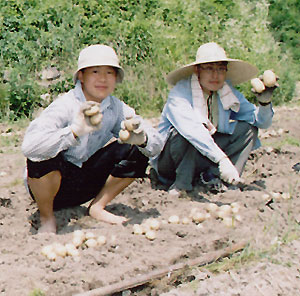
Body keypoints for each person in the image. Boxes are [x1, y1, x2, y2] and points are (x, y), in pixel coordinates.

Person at [22, 44, 163, 233]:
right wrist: (73, 132)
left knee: (136, 148)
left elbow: (157, 144)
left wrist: (143, 139)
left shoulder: (115, 108)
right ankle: (47, 217)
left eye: (109, 73)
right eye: (95, 71)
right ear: (81, 75)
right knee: (42, 155)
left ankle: (98, 206)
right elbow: (30, 147)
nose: (103, 79)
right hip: (51, 189)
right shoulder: (65, 105)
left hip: (85, 183)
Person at [151, 42, 276, 194]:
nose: (215, 75)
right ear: (197, 70)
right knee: (188, 132)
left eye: (220, 69)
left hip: (206, 156)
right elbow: (192, 130)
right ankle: (182, 186)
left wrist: (265, 103)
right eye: (209, 68)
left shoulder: (226, 92)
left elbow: (261, 122)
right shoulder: (180, 94)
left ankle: (226, 181)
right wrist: (222, 160)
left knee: (248, 129)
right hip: (171, 162)